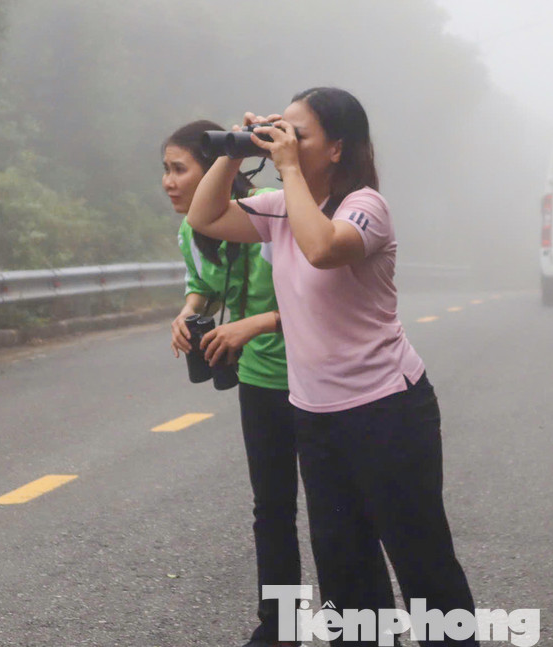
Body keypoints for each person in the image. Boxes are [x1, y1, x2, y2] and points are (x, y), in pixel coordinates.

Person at [186, 87, 476, 647]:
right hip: (316, 417)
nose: (285, 141)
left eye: (300, 134)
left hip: (388, 410)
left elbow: (322, 249)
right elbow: (206, 216)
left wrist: (289, 169)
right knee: (346, 574)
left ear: (337, 148)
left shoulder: (365, 206)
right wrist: (233, 151)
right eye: (282, 130)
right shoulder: (279, 206)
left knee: (423, 566)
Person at [161, 120, 300, 647]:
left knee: (341, 509)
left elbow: (318, 295)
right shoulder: (190, 231)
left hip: (314, 376)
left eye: (180, 169)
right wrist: (188, 311)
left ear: (217, 169)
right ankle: (280, 627)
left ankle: (359, 624)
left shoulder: (271, 209)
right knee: (272, 508)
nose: (169, 182)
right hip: (259, 378)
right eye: (165, 170)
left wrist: (252, 325)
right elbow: (203, 284)